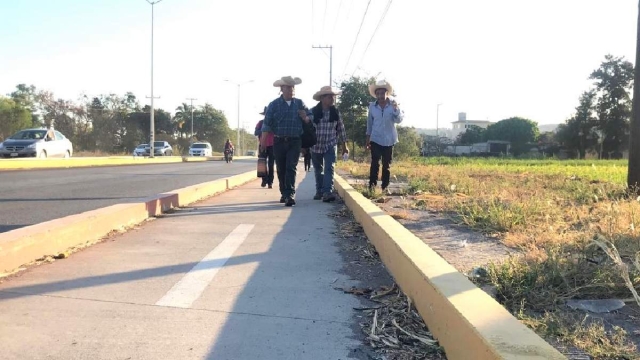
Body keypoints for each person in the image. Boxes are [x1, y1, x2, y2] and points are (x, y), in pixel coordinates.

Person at [260, 76, 313, 207]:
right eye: (288, 87)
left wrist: (305, 117)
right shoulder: (274, 105)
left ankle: (289, 194)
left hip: (295, 141)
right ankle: (284, 192)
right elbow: (267, 124)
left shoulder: (300, 103)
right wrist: (263, 142)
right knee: (281, 168)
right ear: (282, 89)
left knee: (291, 167)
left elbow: (310, 117)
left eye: (292, 87)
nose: (291, 90)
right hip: (278, 141)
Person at [310, 86, 348, 202]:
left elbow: (341, 128)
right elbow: (307, 129)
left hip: (330, 143)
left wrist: (344, 146)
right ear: (322, 98)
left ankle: (327, 192)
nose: (332, 99)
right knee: (318, 169)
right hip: (315, 145)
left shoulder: (335, 112)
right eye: (329, 96)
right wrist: (304, 146)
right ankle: (319, 190)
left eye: (333, 96)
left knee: (329, 167)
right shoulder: (313, 112)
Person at [366, 80, 403, 193]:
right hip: (376, 138)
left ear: (387, 94)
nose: (381, 96)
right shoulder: (372, 107)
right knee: (375, 163)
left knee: (386, 165)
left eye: (383, 93)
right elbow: (369, 124)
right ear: (376, 95)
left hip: (389, 139)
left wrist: (396, 110)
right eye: (378, 93)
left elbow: (399, 120)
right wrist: (367, 139)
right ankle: (372, 187)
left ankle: (385, 187)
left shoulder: (393, 106)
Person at [255, 107, 274, 188]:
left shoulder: (274, 123)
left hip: (272, 145)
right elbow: (256, 132)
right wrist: (264, 130)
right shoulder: (260, 123)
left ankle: (270, 182)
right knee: (262, 164)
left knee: (271, 164)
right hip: (262, 145)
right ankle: (264, 180)